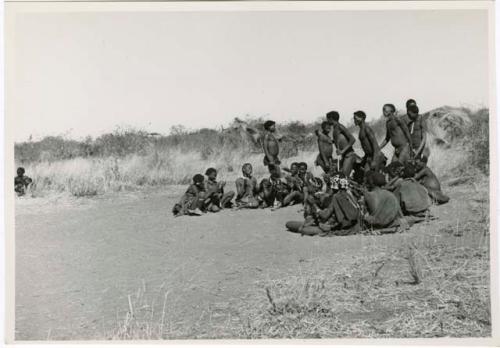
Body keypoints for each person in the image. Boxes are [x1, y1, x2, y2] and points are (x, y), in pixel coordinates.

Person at [326, 111, 357, 178]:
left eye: (327, 119)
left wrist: (342, 151)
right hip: (344, 156)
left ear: (331, 119)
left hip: (349, 155)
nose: (327, 121)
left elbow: (352, 139)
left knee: (343, 178)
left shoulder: (340, 126)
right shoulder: (335, 128)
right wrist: (332, 141)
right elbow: (340, 140)